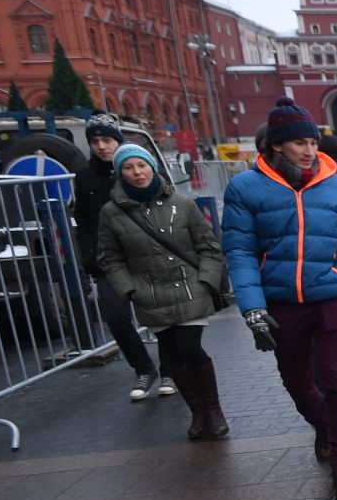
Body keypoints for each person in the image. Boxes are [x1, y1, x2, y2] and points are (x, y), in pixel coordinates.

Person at [225, 99, 337, 500]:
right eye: (300, 143)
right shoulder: (245, 188)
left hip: (331, 295)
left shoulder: (336, 185)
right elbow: (240, 251)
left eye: (313, 142)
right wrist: (253, 308)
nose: (310, 150)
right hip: (280, 301)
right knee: (297, 381)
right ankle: (325, 428)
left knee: (336, 379)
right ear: (277, 145)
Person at [96, 144, 229, 439]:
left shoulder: (182, 204)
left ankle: (213, 410)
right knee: (171, 354)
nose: (137, 173)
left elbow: (208, 246)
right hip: (149, 292)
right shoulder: (112, 212)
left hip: (189, 287)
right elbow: (109, 257)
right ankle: (196, 413)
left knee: (190, 347)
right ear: (120, 173)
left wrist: (206, 280)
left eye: (141, 166)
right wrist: (128, 290)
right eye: (128, 168)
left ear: (151, 167)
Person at [71, 112, 170, 400]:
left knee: (161, 315)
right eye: (95, 141)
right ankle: (143, 368)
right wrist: (89, 255)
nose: (102, 146)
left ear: (118, 141)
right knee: (115, 316)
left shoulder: (137, 169)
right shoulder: (85, 176)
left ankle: (169, 370)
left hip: (146, 255)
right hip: (108, 260)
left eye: (107, 140)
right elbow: (83, 219)